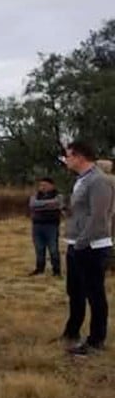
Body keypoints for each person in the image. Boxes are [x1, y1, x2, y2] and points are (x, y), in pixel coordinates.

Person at [59, 141, 114, 356]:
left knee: (94, 294)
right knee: (75, 292)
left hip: (91, 245)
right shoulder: (82, 180)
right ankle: (72, 331)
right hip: (77, 243)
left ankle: (96, 340)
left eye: (68, 156)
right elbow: (83, 211)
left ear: (80, 157)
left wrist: (82, 242)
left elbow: (99, 216)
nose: (66, 160)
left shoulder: (98, 181)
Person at [28, 176, 65, 277]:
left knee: (53, 249)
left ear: (52, 186)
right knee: (39, 249)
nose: (42, 187)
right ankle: (39, 269)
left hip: (51, 225)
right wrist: (49, 205)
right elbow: (32, 204)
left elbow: (57, 204)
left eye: (45, 185)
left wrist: (40, 205)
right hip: (37, 225)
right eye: (41, 185)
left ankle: (56, 271)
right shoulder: (36, 195)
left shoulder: (58, 195)